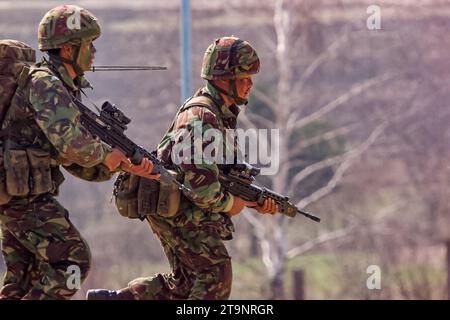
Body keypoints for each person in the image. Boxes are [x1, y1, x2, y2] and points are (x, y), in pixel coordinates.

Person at [87, 36, 278, 300]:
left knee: (186, 284)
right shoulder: (202, 117)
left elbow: (217, 173)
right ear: (223, 79)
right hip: (177, 206)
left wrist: (252, 199)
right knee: (214, 274)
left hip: (177, 204)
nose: (250, 85)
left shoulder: (217, 112)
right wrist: (231, 203)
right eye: (244, 78)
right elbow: (201, 188)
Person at [0, 5, 157, 300]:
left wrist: (120, 164)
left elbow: (72, 160)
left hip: (19, 194)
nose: (94, 51)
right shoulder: (45, 83)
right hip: (22, 197)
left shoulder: (57, 87)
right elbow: (71, 143)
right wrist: (105, 154)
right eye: (89, 44)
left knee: (22, 278)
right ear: (68, 49)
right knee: (73, 262)